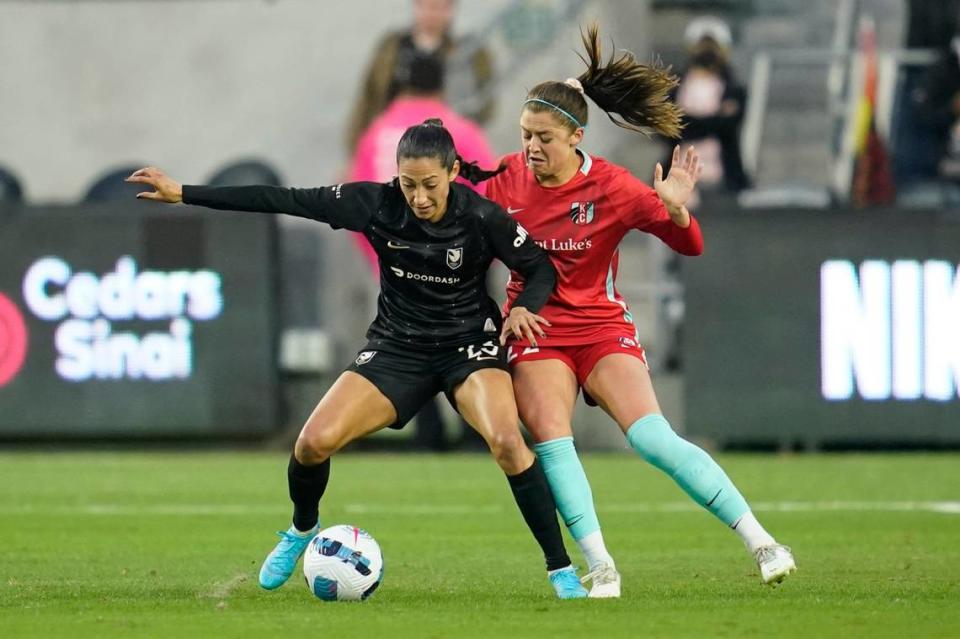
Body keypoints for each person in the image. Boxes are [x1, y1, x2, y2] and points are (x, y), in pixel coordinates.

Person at [126, 119, 588, 599]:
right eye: (409, 184)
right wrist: (184, 193)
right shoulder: (374, 203)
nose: (420, 197)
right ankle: (303, 528)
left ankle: (560, 569)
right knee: (311, 445)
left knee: (508, 443)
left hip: (467, 345)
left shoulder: (483, 216)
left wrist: (524, 310)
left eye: (431, 184)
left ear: (453, 172)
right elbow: (283, 199)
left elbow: (538, 267)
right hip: (397, 346)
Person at [483, 24, 796, 598]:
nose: (531, 148)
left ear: (576, 135)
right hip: (538, 331)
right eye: (526, 134)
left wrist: (675, 210)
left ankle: (763, 541)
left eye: (544, 137)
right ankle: (601, 564)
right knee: (552, 436)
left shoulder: (613, 187)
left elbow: (691, 244)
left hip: (600, 328)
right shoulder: (504, 180)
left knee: (653, 439)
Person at [348, 52, 496, 451]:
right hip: (453, 260)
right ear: (442, 84)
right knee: (464, 341)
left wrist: (379, 254)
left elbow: (357, 198)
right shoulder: (457, 132)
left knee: (403, 342)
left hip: (387, 258)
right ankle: (473, 431)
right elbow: (488, 198)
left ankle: (426, 431)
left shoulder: (376, 133)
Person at [344, 0, 494, 156]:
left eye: (440, 7)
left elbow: (482, 104)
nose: (433, 14)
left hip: (443, 149)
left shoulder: (465, 55)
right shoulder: (392, 48)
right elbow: (369, 99)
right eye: (427, 6)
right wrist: (354, 154)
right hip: (392, 144)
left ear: (451, 9)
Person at [662, 16, 750, 197]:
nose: (707, 52)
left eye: (713, 46)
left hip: (725, 179)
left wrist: (688, 120)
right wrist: (718, 117)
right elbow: (667, 128)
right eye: (702, 45)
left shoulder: (733, 88)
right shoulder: (674, 86)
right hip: (678, 178)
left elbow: (730, 124)